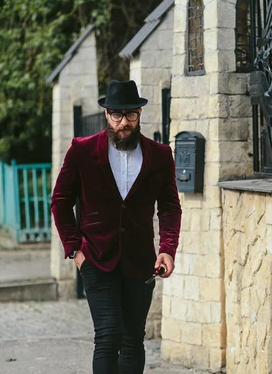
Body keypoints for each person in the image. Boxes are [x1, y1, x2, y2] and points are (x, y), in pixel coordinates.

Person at [51, 79, 182, 374]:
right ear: (107, 115)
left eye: (131, 115)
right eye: (117, 115)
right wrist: (75, 250)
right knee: (108, 336)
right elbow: (60, 201)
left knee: (133, 339)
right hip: (95, 258)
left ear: (139, 114)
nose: (125, 123)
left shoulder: (160, 155)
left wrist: (167, 249)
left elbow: (171, 207)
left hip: (140, 261)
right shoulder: (82, 151)